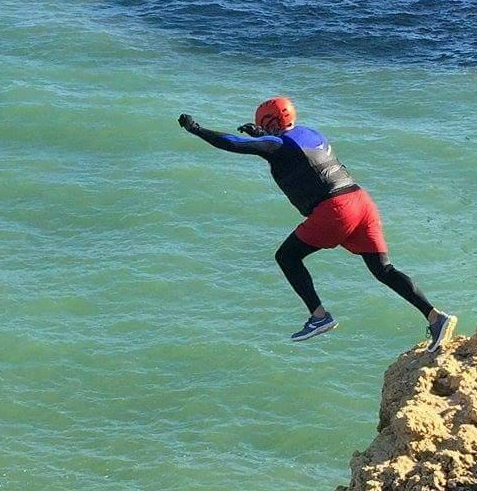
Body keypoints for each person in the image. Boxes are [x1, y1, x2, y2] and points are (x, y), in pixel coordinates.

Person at [177, 96, 457, 347]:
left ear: (271, 122)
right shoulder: (311, 133)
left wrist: (197, 129)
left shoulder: (277, 144)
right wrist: (262, 135)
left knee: (287, 257)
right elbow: (288, 147)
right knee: (384, 269)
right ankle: (435, 317)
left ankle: (319, 316)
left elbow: (235, 143)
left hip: (335, 209)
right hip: (361, 202)